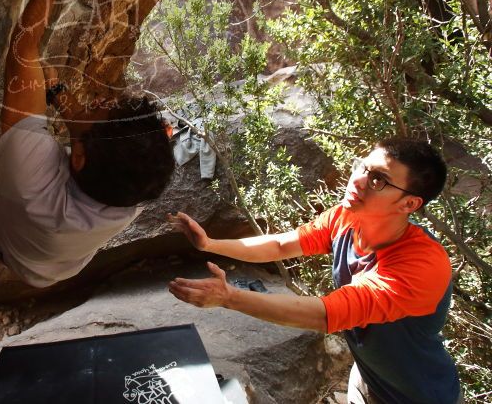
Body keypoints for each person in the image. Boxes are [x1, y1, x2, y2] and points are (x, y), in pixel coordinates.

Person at [168, 138, 461, 404]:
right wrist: (209, 244)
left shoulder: (421, 265)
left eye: (378, 180)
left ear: (409, 203)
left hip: (420, 395)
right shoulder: (346, 218)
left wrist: (229, 297)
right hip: (366, 381)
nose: (358, 181)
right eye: (362, 167)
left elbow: (326, 315)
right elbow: (282, 245)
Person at [0, 0, 175, 288]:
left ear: (77, 159)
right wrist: (58, 99)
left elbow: (23, 48)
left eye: (102, 106)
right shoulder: (134, 191)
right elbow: (94, 132)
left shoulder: (30, 179)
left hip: (13, 248)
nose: (103, 96)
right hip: (59, 265)